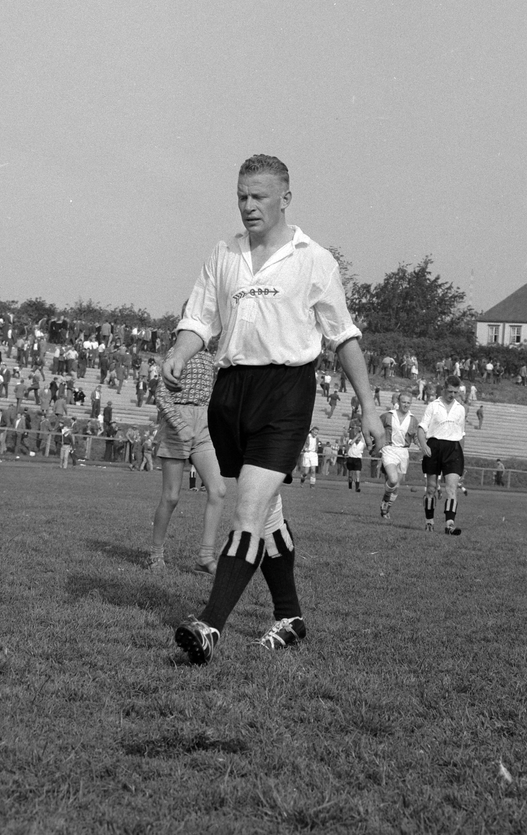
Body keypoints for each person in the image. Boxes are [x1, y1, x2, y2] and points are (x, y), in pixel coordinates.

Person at [164, 155, 381, 664]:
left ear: (285, 198)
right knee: (266, 515)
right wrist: (179, 351)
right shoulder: (224, 254)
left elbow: (343, 337)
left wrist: (369, 406)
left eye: (259, 196)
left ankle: (210, 625)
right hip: (231, 392)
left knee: (247, 510)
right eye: (241, 195)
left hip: (286, 391)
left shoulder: (313, 259)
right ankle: (290, 616)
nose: (248, 206)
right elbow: (199, 317)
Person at [149, 347, 225, 574]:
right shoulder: (176, 353)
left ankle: (205, 557)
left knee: (218, 490)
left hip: (204, 424)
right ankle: (155, 555)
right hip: (177, 424)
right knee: (171, 497)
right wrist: (179, 425)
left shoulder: (211, 358)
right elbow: (161, 395)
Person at [420, 376, 467, 535]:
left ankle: (450, 524)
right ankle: (429, 521)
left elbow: (461, 435)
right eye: (450, 391)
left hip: (453, 449)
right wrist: (424, 445)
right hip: (434, 447)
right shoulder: (433, 406)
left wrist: (462, 459)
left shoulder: (460, 409)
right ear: (444, 389)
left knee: (452, 488)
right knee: (431, 488)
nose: (452, 395)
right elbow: (422, 429)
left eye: (456, 392)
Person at [376, 390, 419, 520]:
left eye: (408, 403)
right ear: (398, 402)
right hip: (389, 449)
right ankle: (385, 500)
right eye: (403, 402)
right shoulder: (388, 415)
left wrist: (422, 445)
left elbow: (415, 437)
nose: (406, 405)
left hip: (403, 452)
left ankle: (386, 509)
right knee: (393, 479)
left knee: (396, 486)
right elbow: (376, 427)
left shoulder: (413, 420)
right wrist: (375, 442)